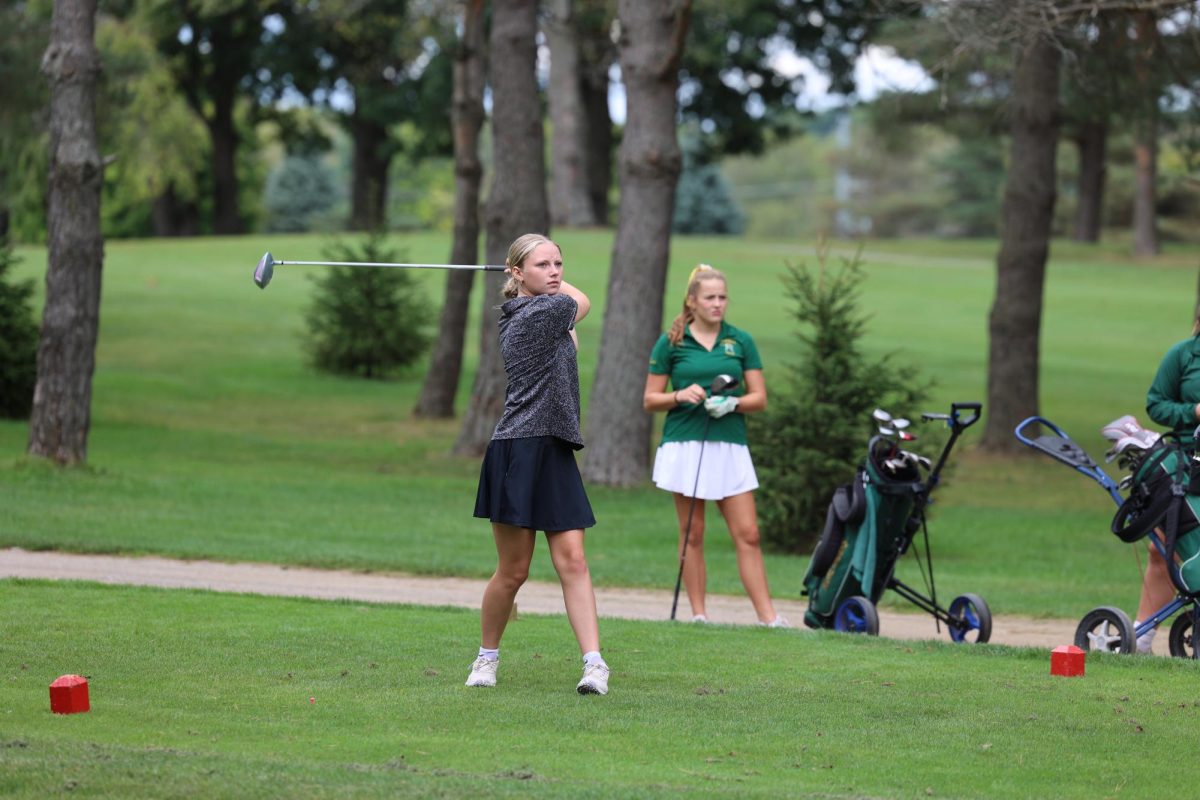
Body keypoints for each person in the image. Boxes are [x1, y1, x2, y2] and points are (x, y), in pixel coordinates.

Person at [467, 233, 609, 695]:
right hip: (519, 448)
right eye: (543, 265)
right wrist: (550, 287)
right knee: (513, 571)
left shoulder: (542, 311)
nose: (555, 272)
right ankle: (486, 658)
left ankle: (594, 665)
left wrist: (531, 275)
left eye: (559, 263)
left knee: (574, 560)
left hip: (554, 449)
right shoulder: (542, 312)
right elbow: (582, 301)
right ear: (516, 273)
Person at [642, 264, 787, 627]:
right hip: (685, 443)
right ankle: (698, 614)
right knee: (693, 532)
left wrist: (733, 403)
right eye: (710, 297)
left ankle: (769, 618)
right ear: (692, 301)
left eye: (723, 297)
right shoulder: (672, 342)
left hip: (729, 444)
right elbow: (650, 399)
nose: (718, 304)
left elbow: (759, 398)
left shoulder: (740, 341)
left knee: (748, 533)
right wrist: (679, 395)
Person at [1137, 322, 1200, 653]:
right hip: (1187, 465)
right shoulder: (1183, 355)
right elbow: (1156, 404)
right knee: (1163, 546)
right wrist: (1193, 411)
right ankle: (1140, 638)